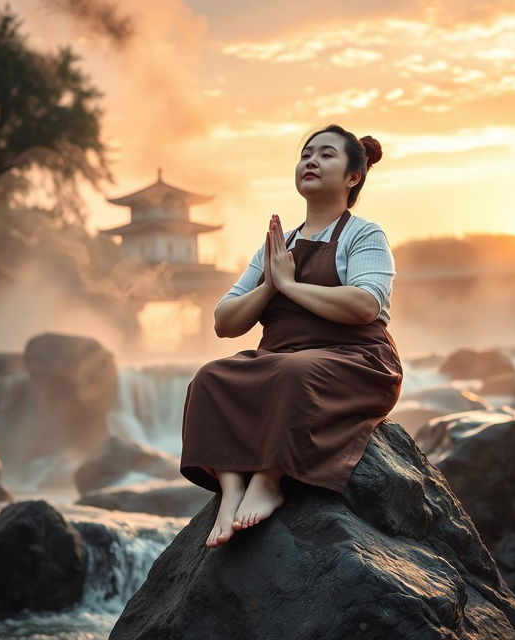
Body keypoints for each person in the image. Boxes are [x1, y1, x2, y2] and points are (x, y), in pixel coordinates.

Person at [180, 124, 404, 549]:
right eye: (306, 155)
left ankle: (269, 480)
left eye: (326, 155)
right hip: (281, 360)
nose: (311, 162)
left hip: (356, 361)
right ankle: (230, 489)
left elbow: (365, 305)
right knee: (209, 377)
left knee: (294, 370)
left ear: (353, 177)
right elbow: (225, 321)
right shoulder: (277, 245)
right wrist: (270, 282)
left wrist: (291, 286)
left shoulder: (364, 234)